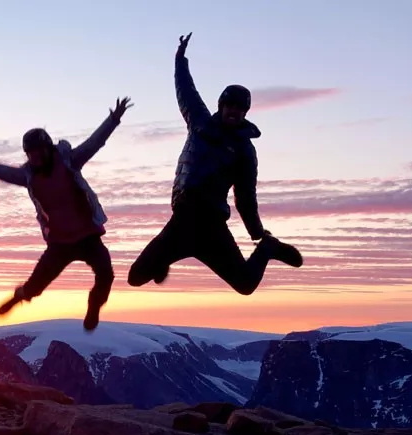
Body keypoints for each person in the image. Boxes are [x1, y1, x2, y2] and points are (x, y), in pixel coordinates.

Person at [127, 33, 302, 295]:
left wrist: (256, 233)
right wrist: (180, 59)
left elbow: (245, 197)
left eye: (239, 108)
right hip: (182, 221)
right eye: (229, 105)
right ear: (221, 106)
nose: (233, 111)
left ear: (245, 112)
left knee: (245, 285)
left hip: (212, 228)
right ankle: (162, 262)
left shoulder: (244, 151)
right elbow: (186, 92)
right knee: (135, 277)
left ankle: (268, 249)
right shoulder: (200, 123)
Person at [0, 97, 132, 331]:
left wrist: (113, 119)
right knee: (36, 286)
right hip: (59, 245)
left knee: (106, 274)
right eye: (30, 154)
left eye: (38, 152)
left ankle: (94, 307)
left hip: (89, 238)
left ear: (48, 148)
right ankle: (20, 296)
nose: (35, 158)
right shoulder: (28, 177)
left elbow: (94, 143)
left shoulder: (69, 161)